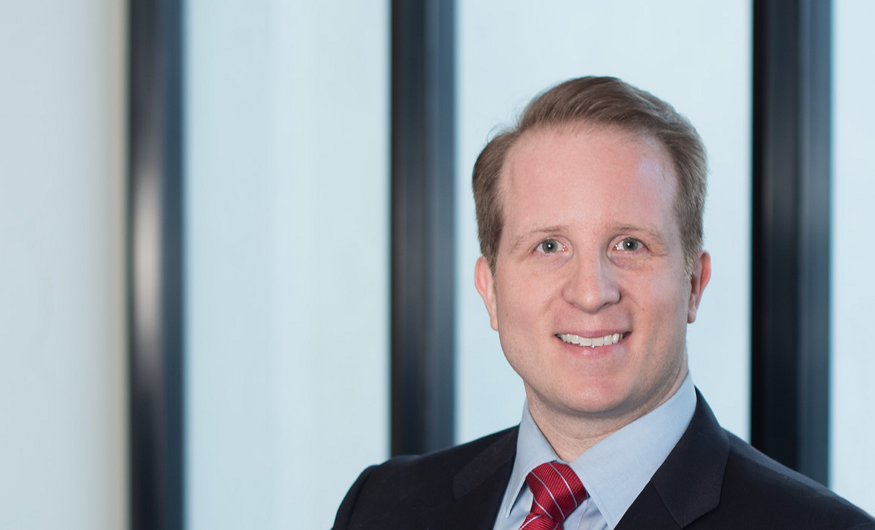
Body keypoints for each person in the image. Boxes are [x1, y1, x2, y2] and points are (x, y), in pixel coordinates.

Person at [332, 76, 875, 529]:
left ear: (694, 283)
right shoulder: (380, 508)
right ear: (490, 290)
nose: (592, 293)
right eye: (549, 247)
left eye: (629, 245)